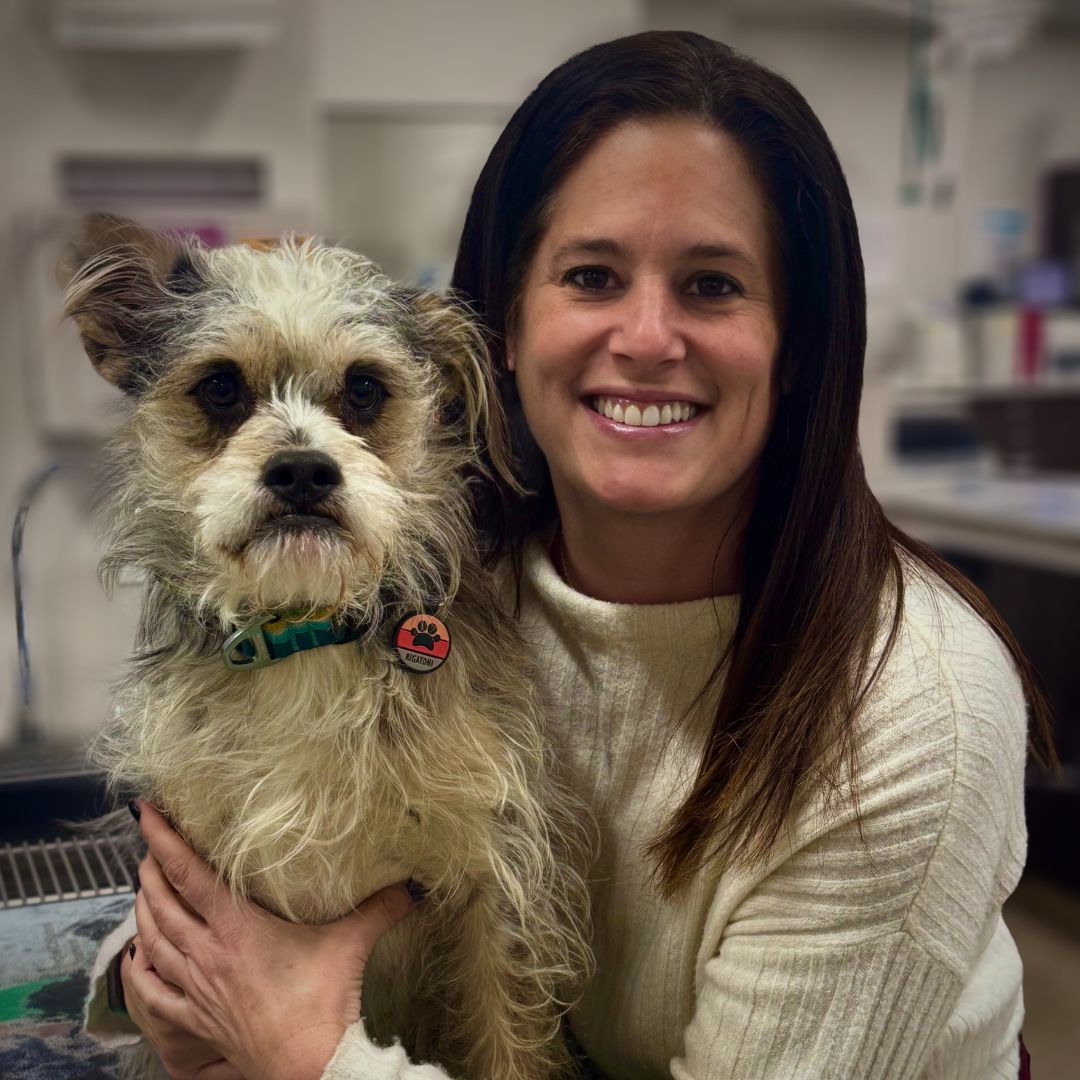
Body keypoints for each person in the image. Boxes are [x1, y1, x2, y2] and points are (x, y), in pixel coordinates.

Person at [84, 30, 1052, 1079]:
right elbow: (255, 897)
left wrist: (298, 1045)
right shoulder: (445, 587)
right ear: (502, 332)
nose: (645, 337)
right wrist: (160, 993)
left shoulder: (916, 717)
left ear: (801, 339)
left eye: (713, 285)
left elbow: (304, 1009)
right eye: (592, 275)